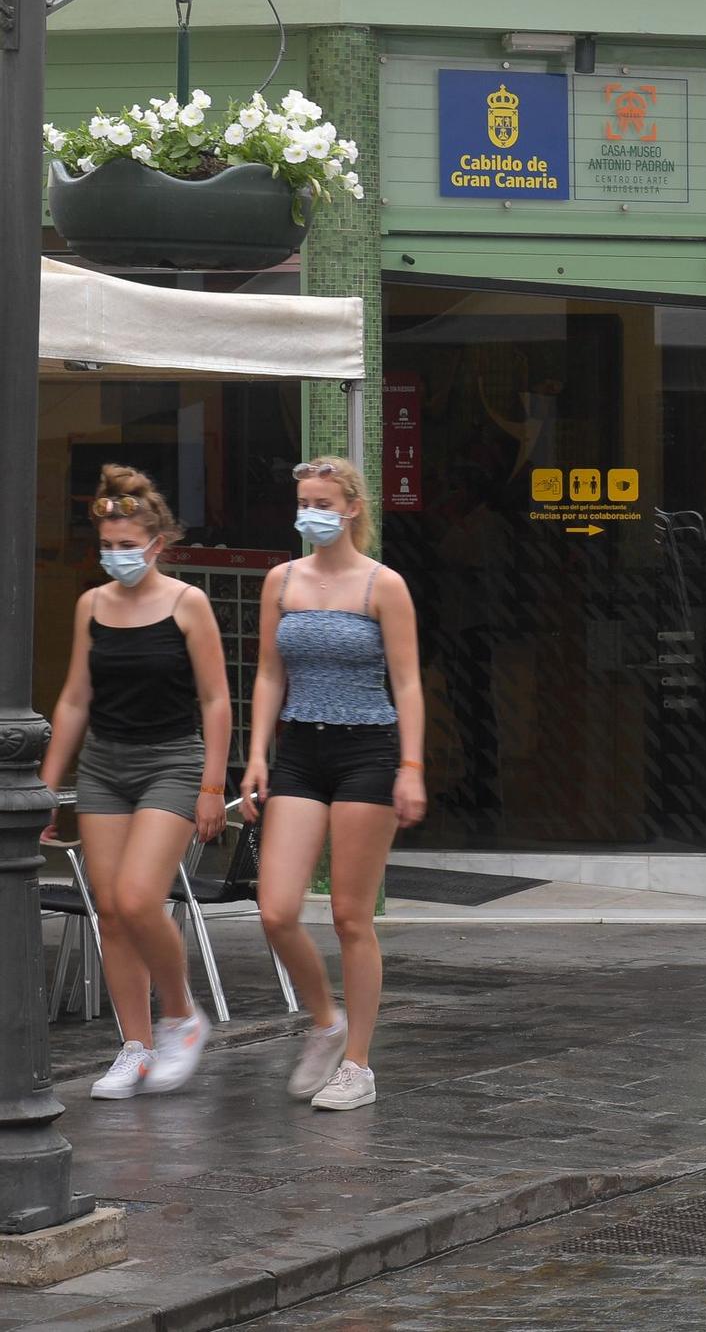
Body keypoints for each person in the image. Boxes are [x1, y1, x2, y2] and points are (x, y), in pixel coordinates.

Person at [240, 456, 426, 1111]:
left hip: (366, 750)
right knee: (276, 908)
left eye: (322, 501)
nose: (309, 512)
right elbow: (268, 672)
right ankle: (325, 1019)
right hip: (299, 747)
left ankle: (359, 1065)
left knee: (351, 915)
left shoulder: (384, 585)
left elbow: (406, 682)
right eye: (303, 501)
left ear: (350, 508)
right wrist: (256, 753)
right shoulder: (281, 581)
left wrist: (411, 766)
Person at [39, 466, 230, 1099]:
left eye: (128, 544)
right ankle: (135, 1045)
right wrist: (44, 787)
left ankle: (181, 1016)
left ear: (157, 542)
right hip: (104, 765)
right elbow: (74, 699)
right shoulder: (91, 606)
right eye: (107, 544)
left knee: (139, 897)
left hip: (171, 762)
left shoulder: (186, 603)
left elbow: (215, 700)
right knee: (110, 910)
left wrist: (211, 786)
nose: (116, 555)